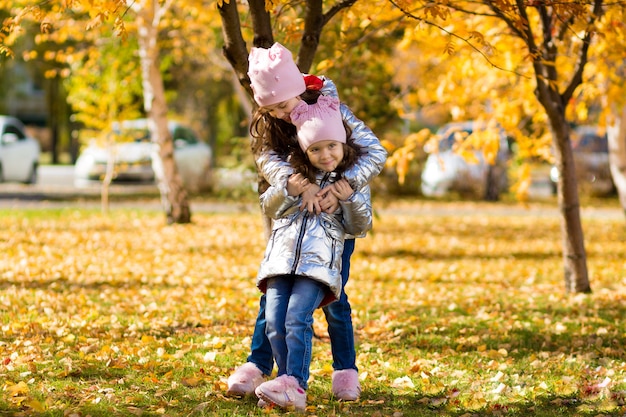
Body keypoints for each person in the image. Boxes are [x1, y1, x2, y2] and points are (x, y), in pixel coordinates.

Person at [227, 42, 387, 402]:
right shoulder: (274, 120)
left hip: (334, 225)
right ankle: (260, 365)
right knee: (275, 296)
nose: (281, 114)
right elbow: (266, 159)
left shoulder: (333, 112)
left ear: (299, 88)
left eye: (284, 105)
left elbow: (375, 152)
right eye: (271, 108)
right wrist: (293, 182)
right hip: (293, 218)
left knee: (333, 296)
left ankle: (345, 370)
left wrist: (346, 186)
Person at [253, 96, 373, 411]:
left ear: (344, 144)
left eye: (332, 145)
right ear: (305, 151)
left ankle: (296, 382)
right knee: (274, 322)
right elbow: (269, 206)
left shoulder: (349, 182)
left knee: (296, 318)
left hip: (317, 267)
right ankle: (284, 381)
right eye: (315, 149)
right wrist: (289, 190)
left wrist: (347, 201)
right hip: (281, 260)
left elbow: (361, 225)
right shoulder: (295, 176)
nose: (325, 154)